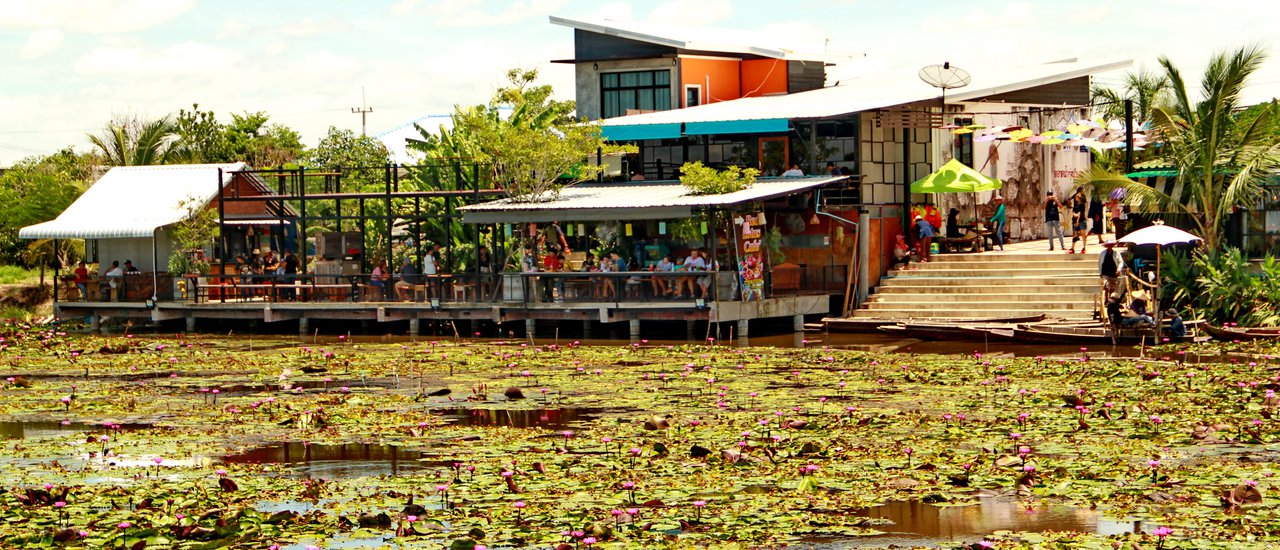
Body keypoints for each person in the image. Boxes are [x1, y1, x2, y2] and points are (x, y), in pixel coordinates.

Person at [1068, 187, 1089, 254]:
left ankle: (1084, 247)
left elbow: (1080, 213)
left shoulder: (1082, 205)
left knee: (1083, 234)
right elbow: (1074, 212)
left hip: (1081, 220)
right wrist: (1075, 215)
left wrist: (1077, 219)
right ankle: (1072, 248)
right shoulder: (1076, 205)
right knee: (1075, 235)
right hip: (1076, 220)